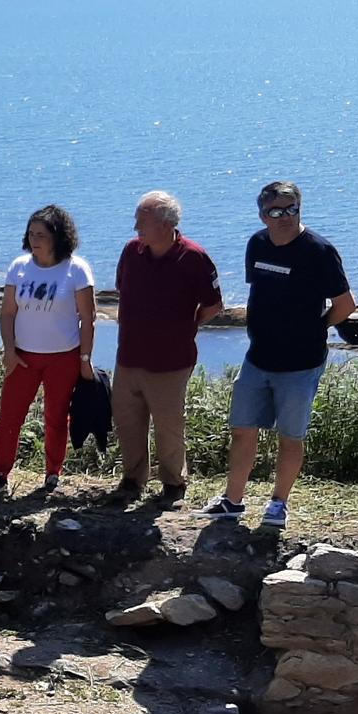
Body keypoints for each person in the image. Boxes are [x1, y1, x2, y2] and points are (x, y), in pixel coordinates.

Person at [204, 180, 354, 531]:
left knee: (291, 436)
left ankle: (278, 504)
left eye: (292, 209)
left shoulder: (319, 251)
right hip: (258, 357)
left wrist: (315, 328)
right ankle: (232, 500)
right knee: (242, 429)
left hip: (301, 364)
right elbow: (260, 292)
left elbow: (345, 305)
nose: (285, 217)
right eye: (276, 211)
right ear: (262, 215)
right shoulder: (256, 244)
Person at [111, 190, 222, 505]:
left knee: (168, 425)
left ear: (164, 224)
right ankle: (133, 480)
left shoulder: (194, 257)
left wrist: (187, 328)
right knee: (128, 420)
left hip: (171, 361)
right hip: (129, 356)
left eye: (141, 221)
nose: (135, 227)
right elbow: (122, 291)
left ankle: (173, 485)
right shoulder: (132, 252)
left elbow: (214, 304)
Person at [0, 205, 97, 498]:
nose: (35, 240)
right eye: (31, 234)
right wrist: (9, 350)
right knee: (10, 416)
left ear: (58, 237)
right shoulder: (19, 267)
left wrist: (85, 358)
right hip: (23, 356)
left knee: (56, 417)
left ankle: (52, 473)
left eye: (42, 235)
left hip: (64, 357)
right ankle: (0, 473)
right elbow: (8, 313)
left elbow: (88, 318)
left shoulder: (77, 269)